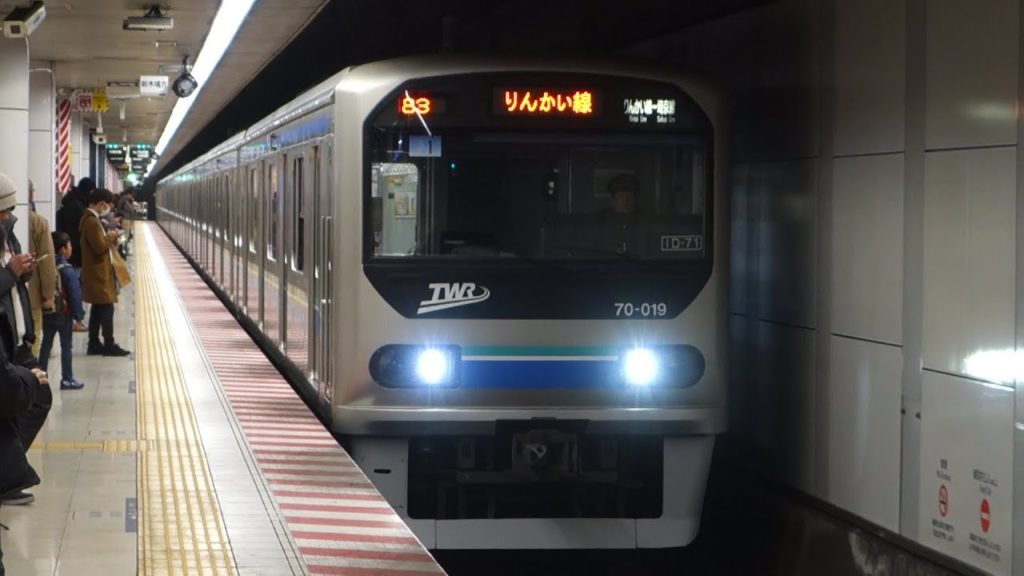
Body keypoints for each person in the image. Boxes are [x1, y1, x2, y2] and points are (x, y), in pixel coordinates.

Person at [0, 173, 50, 508]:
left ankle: (10, 473)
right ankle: (9, 477)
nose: (7, 216)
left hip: (17, 339)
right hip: (6, 344)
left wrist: (24, 271)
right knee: (19, 403)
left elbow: (13, 285)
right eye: (3, 210)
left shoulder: (9, 236)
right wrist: (10, 273)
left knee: (35, 398)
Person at [80, 188, 129, 357]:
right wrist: (112, 236)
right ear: (101, 204)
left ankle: (94, 343)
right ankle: (109, 343)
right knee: (107, 307)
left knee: (97, 308)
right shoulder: (92, 221)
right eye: (107, 205)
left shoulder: (90, 219)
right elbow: (100, 247)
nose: (107, 208)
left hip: (96, 271)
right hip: (98, 273)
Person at [40, 232, 85, 390]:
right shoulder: (67, 269)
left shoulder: (46, 266)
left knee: (45, 345)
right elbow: (74, 293)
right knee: (66, 346)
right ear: (63, 250)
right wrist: (79, 315)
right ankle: (67, 379)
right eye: (69, 245)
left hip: (48, 312)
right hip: (64, 313)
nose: (71, 248)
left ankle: (40, 377)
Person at [26, 181, 57, 359]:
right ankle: (31, 377)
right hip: (32, 292)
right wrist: (49, 293)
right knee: (34, 334)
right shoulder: (38, 221)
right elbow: (46, 260)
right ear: (30, 193)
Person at [56, 176, 93, 268]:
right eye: (92, 191)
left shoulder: (73, 201)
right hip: (74, 248)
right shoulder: (78, 206)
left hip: (70, 246)